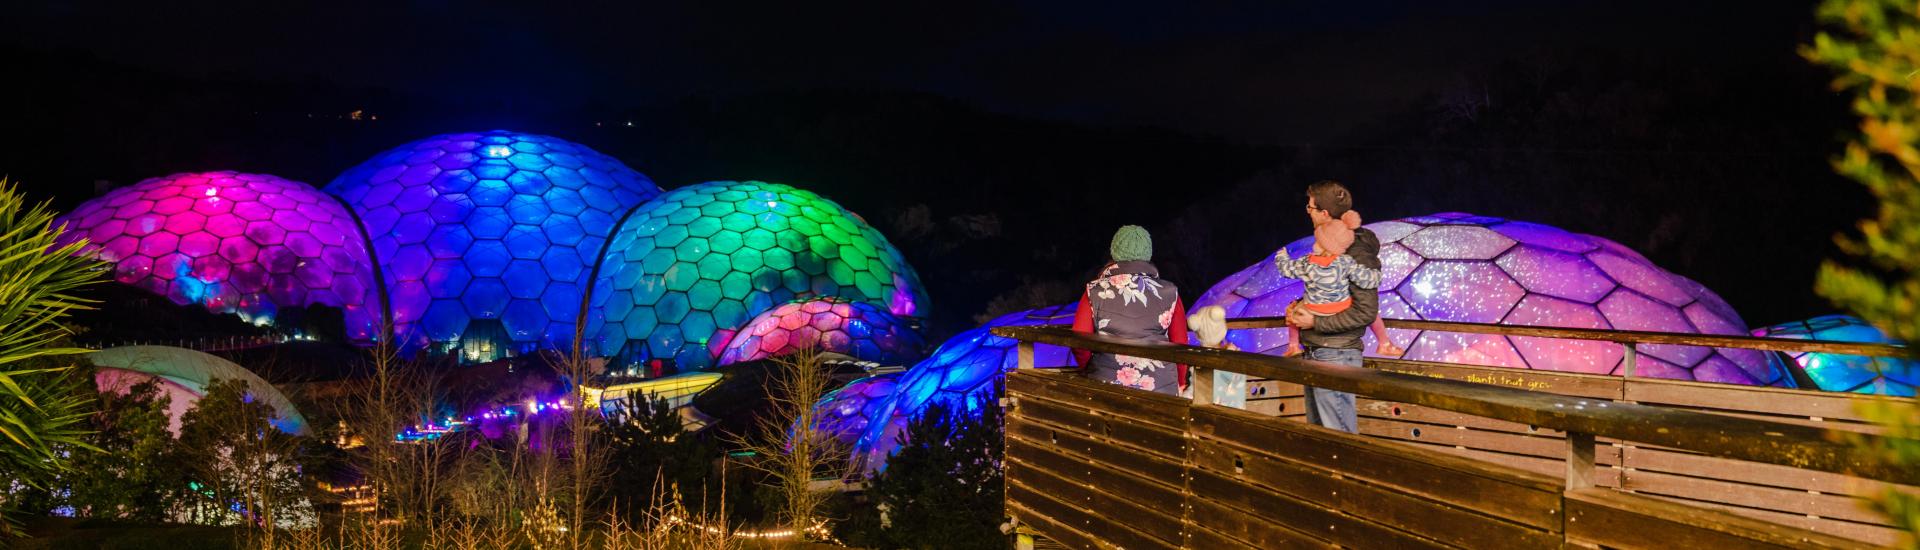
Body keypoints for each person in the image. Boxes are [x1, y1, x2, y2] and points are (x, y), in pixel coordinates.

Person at [1286, 181, 1379, 433]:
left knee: (1338, 433)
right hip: (1317, 350)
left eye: (1311, 207)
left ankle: (1348, 473)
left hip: (1336, 353)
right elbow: (1328, 295)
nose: (1307, 211)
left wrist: (1315, 322)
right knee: (1321, 434)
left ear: (1325, 214)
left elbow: (1365, 311)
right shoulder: (1328, 247)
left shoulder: (1355, 254)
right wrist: (1301, 308)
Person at [1071, 225, 1190, 396]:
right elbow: (1180, 343)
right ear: (1148, 255)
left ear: (1114, 252)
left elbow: (1079, 339)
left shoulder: (1095, 290)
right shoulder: (1170, 291)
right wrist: (1180, 381)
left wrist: (1090, 369)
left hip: (1107, 388)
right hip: (1160, 390)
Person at [1274, 210, 1404, 357]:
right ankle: (1384, 343)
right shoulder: (1345, 262)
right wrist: (1376, 276)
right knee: (1371, 311)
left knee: (1293, 311)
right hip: (1340, 307)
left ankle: (1293, 345)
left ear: (1324, 245)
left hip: (1314, 309)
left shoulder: (1307, 262)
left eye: (1318, 240)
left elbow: (1286, 269)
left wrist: (1281, 256)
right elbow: (1365, 278)